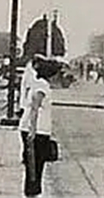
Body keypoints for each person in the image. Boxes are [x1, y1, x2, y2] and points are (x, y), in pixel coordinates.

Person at [19, 57, 63, 197]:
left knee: (36, 164)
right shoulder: (41, 86)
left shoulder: (39, 84)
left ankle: (33, 193)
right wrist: (32, 130)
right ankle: (32, 194)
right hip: (36, 130)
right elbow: (34, 108)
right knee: (35, 166)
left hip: (38, 129)